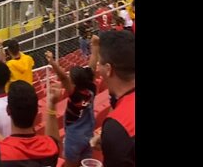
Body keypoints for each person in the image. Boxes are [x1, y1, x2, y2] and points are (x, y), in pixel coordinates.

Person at [0, 82, 58, 167]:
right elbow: (54, 140)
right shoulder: (51, 148)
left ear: (8, 110)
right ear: (36, 111)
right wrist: (52, 105)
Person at [89, 30, 135, 167]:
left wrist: (114, 140)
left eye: (100, 63)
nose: (98, 68)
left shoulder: (118, 127)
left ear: (108, 69)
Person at [42, 50, 97, 163]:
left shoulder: (75, 95)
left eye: (70, 77)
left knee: (71, 164)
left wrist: (52, 61)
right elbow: (91, 69)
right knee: (85, 161)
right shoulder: (92, 89)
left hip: (74, 137)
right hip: (88, 133)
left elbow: (63, 77)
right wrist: (95, 46)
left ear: (74, 84)